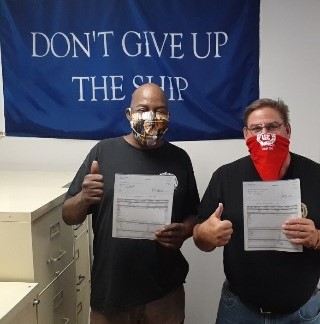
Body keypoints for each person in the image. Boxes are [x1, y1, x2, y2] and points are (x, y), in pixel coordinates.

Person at [62, 83, 199, 324]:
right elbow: (69, 216)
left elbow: (194, 214)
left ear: (168, 115)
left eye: (160, 110)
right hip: (112, 290)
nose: (152, 116)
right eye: (143, 108)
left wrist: (185, 231)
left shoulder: (179, 158)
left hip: (164, 293)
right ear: (129, 114)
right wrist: (84, 198)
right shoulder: (103, 152)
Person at [193, 98, 320, 323]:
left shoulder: (316, 175)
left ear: (288, 130)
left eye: (272, 127)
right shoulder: (225, 176)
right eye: (256, 128)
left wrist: (317, 238)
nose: (265, 134)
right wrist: (205, 233)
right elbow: (200, 240)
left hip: (302, 311)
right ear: (246, 135)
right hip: (239, 309)